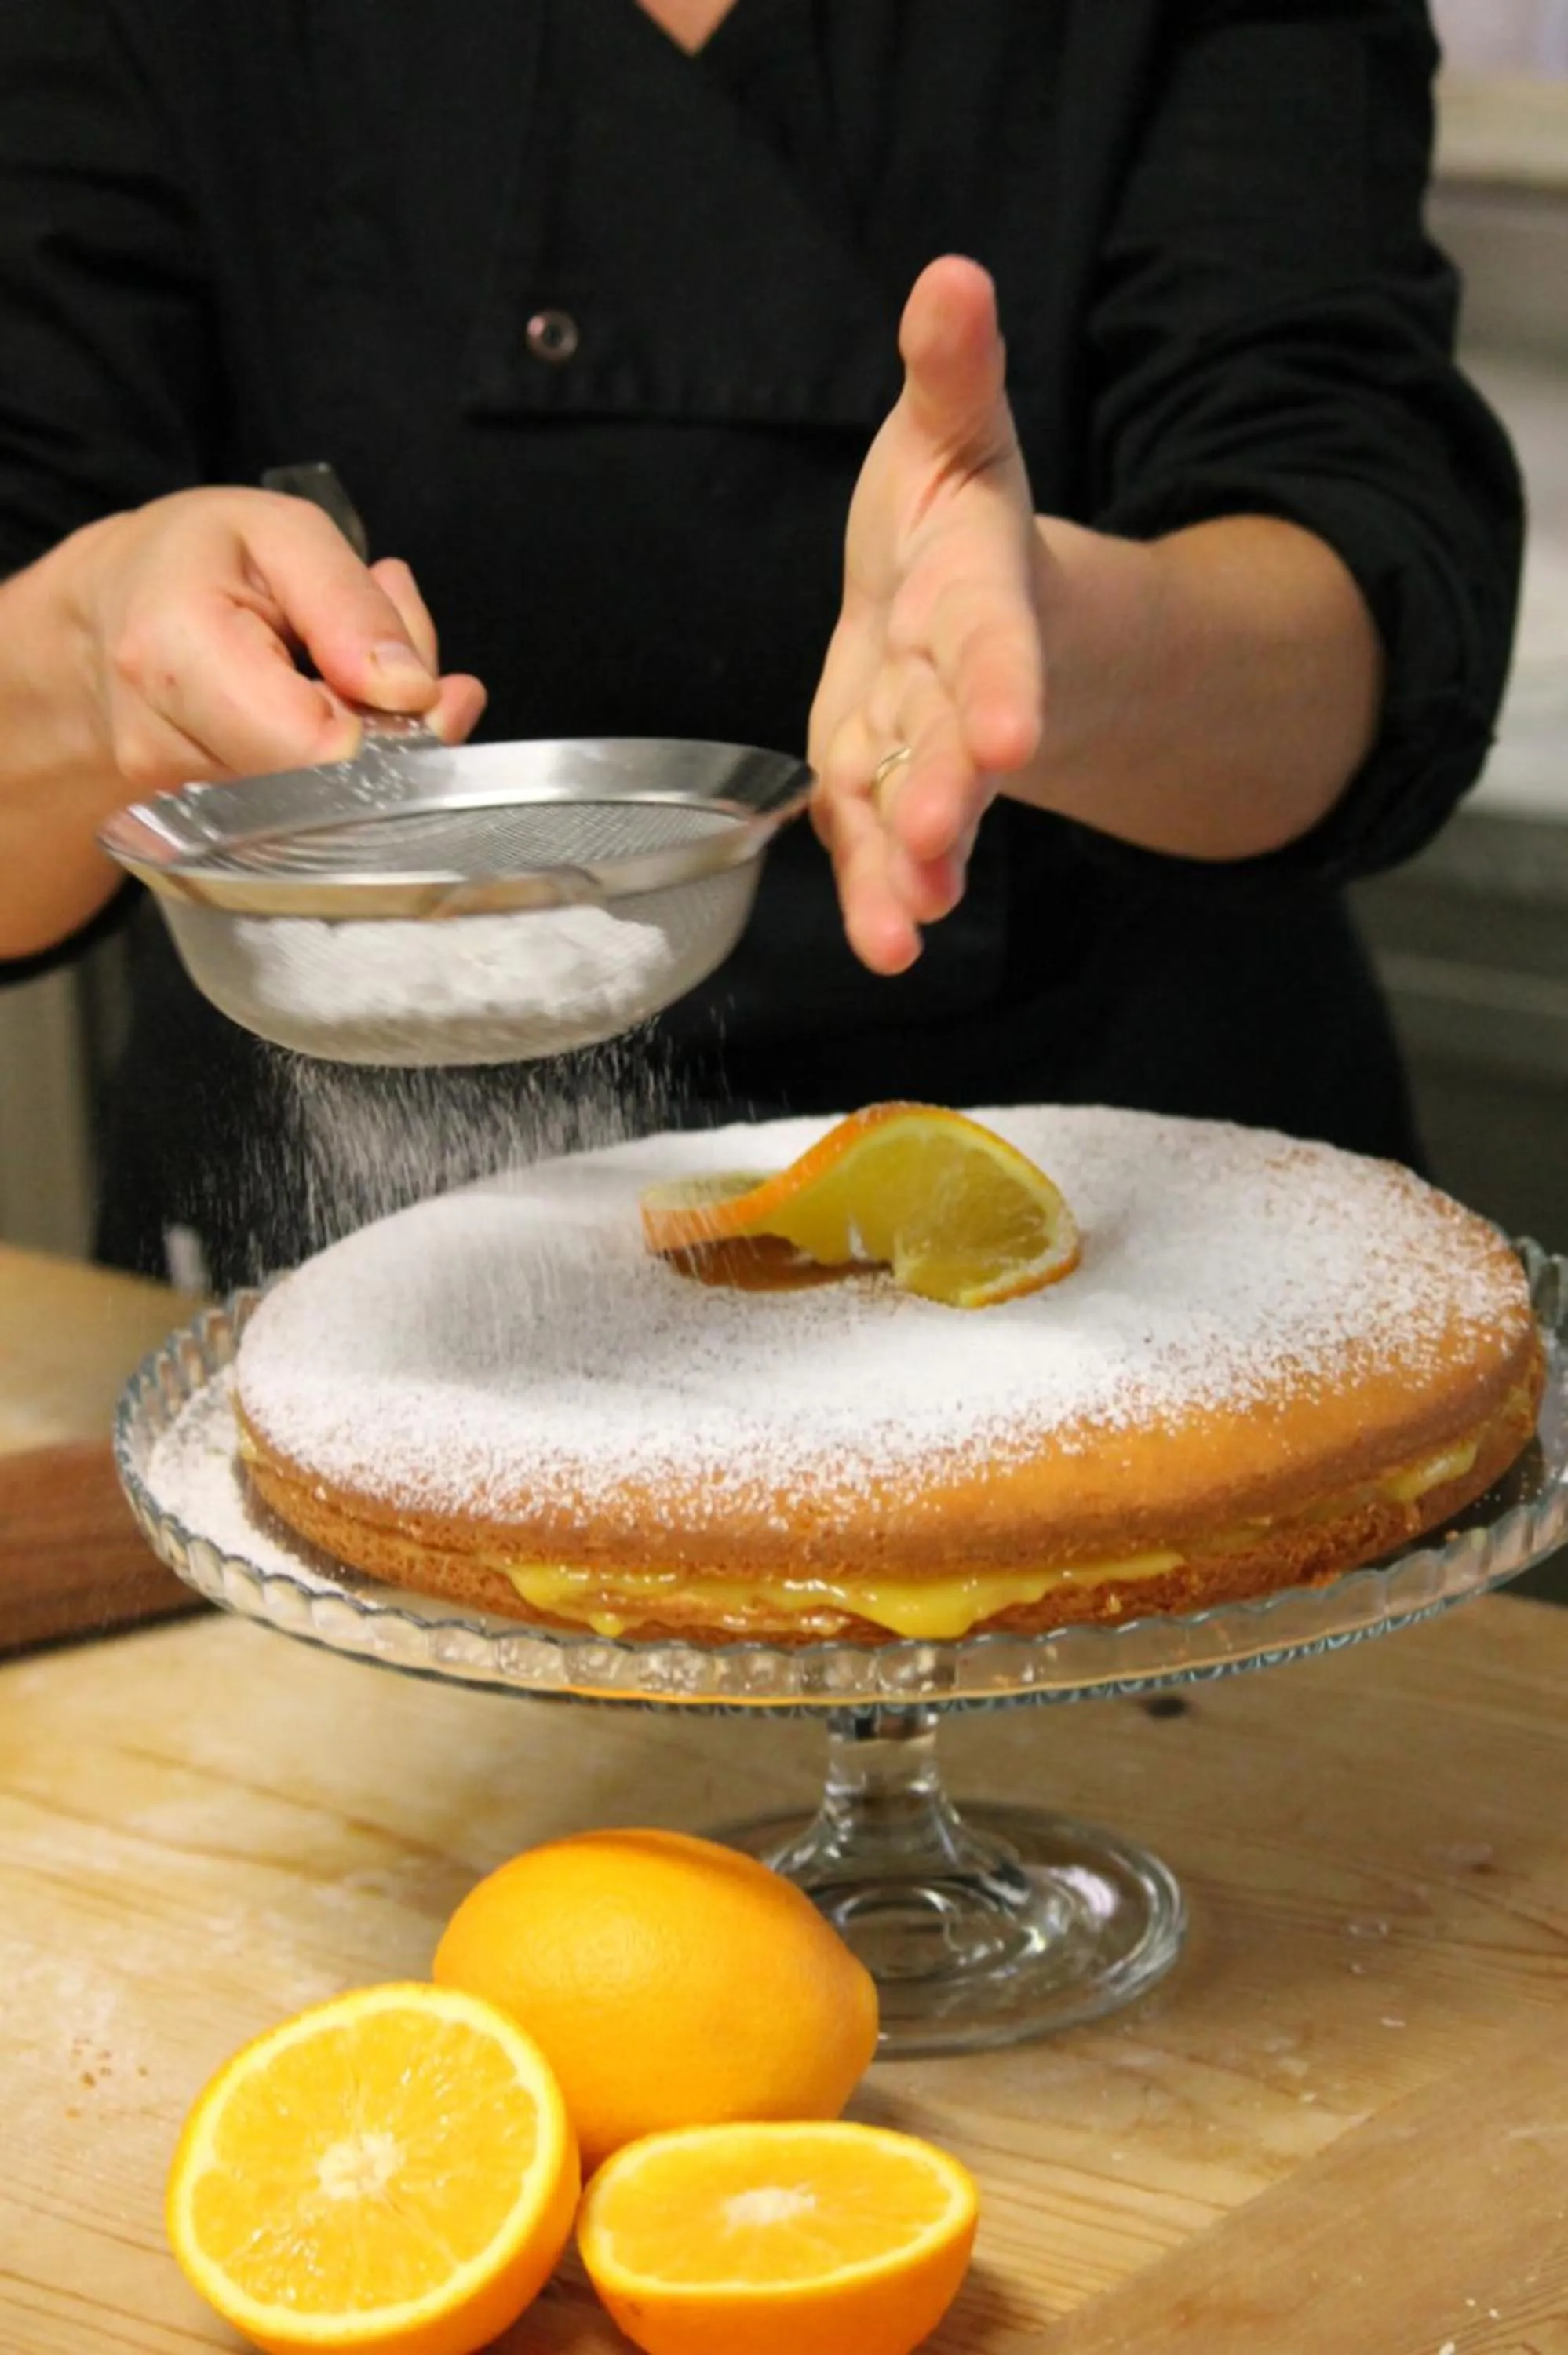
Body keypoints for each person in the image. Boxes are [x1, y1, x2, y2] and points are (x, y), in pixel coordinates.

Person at [0, 0, 1522, 1287]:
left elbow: (1357, 582)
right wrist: (87, 655)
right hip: (338, 1279)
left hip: (1113, 1257)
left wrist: (1054, 648)